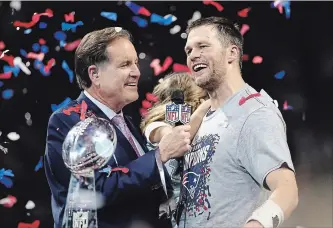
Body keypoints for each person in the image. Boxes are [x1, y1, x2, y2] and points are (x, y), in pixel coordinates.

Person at [44, 27, 191, 228]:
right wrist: (160, 155)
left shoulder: (127, 122)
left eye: (136, 64)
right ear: (94, 74)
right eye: (125, 64)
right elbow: (93, 190)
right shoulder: (68, 122)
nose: (136, 73)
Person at [177, 16, 299, 228]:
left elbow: (288, 191)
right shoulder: (204, 116)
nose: (194, 55)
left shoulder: (254, 114)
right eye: (189, 51)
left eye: (203, 46)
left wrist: (256, 224)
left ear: (232, 53)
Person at [140, 72, 211, 218]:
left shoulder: (201, 127)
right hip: (165, 212)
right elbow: (175, 137)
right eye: (204, 97)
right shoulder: (155, 126)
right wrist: (204, 109)